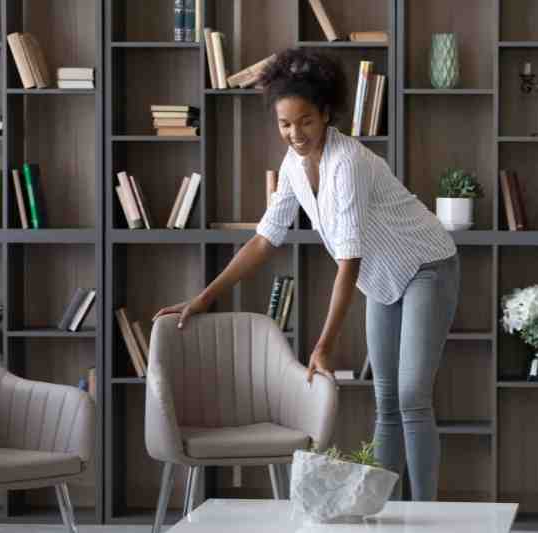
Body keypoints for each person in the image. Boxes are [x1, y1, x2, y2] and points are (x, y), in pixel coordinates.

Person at [153, 48, 459, 501]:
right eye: (285, 124)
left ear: (326, 115)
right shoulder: (294, 167)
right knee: (386, 402)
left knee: (412, 397)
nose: (295, 134)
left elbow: (348, 260)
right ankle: (383, 510)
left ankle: (427, 514)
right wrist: (204, 298)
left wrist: (322, 346)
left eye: (305, 122)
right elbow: (264, 239)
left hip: (426, 266)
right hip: (381, 279)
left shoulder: (348, 163)